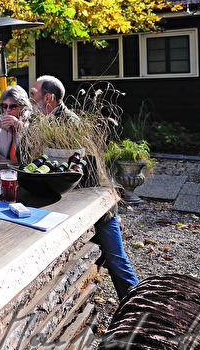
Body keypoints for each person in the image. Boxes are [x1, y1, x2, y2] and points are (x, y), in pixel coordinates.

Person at [35, 74, 139, 300]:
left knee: (116, 259)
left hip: (93, 203)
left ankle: (141, 311)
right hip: (77, 200)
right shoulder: (49, 121)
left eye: (35, 94)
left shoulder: (68, 123)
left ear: (49, 98)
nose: (32, 98)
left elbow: (83, 168)